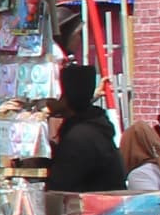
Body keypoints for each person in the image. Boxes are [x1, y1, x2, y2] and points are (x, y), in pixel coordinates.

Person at [44, 64, 126, 192]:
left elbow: (61, 186)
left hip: (95, 208)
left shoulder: (79, 137)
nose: (48, 101)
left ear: (66, 98)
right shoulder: (93, 127)